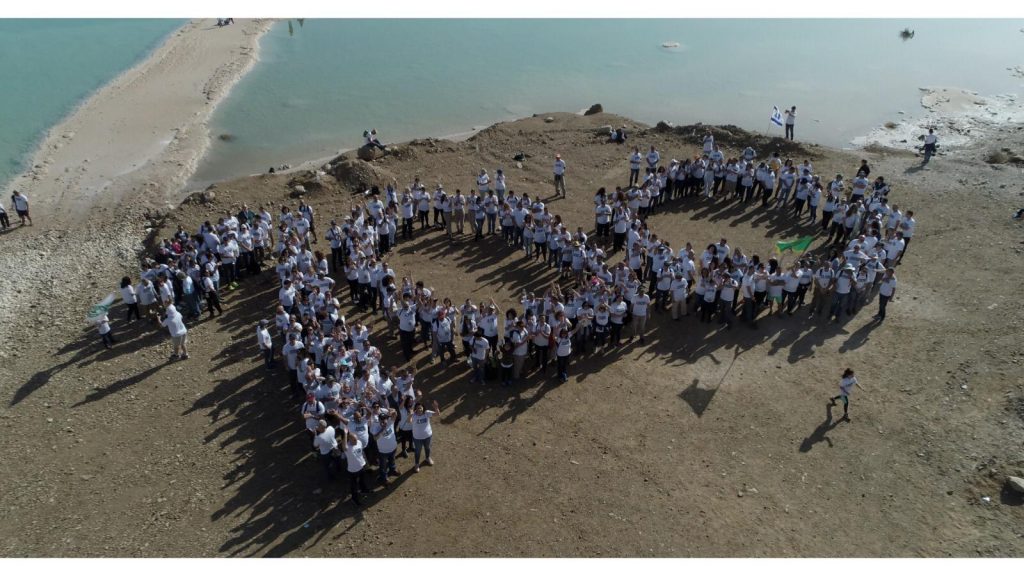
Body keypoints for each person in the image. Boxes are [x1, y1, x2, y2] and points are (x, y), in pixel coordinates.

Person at [408, 399, 441, 473]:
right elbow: (409, 421)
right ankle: (417, 464)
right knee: (417, 451)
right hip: (417, 438)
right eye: (418, 408)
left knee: (427, 448)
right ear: (415, 409)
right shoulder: (414, 415)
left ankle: (427, 458)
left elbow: (437, 414)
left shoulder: (427, 413)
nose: (419, 409)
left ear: (423, 408)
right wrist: (410, 414)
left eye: (420, 408)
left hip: (428, 436)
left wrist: (436, 407)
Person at [340, 427, 370, 505]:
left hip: (362, 466)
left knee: (362, 480)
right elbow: (344, 446)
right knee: (354, 486)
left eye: (356, 439)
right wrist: (345, 434)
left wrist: (364, 463)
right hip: (353, 470)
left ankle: (363, 490)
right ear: (349, 440)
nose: (356, 441)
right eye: (354, 440)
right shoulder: (347, 448)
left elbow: (361, 453)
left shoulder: (359, 442)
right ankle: (354, 498)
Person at [371, 408, 400, 484]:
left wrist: (393, 411)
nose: (384, 420)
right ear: (379, 420)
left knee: (392, 460)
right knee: (383, 465)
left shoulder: (390, 421)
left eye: (385, 418)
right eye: (382, 419)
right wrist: (382, 429)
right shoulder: (376, 427)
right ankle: (384, 477)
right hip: (383, 451)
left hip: (393, 447)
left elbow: (395, 414)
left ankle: (392, 470)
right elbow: (375, 438)